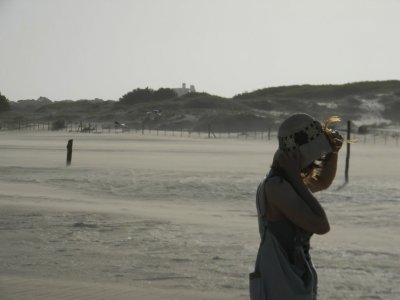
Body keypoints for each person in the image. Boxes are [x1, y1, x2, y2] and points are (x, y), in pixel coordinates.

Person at [250, 113, 343, 300]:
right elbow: (321, 225)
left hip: (292, 277)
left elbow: (322, 182)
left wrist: (333, 154)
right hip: (280, 283)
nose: (314, 159)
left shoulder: (286, 183)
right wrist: (295, 178)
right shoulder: (276, 187)